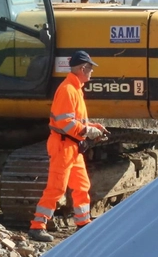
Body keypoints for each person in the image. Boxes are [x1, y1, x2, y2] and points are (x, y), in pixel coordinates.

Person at [30, 50, 107, 242]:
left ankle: (83, 224)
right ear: (82, 68)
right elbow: (66, 124)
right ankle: (37, 226)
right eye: (90, 68)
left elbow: (73, 120)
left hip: (72, 147)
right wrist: (87, 131)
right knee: (56, 188)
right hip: (63, 147)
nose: (91, 73)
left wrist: (92, 126)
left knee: (82, 185)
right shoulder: (68, 90)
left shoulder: (75, 89)